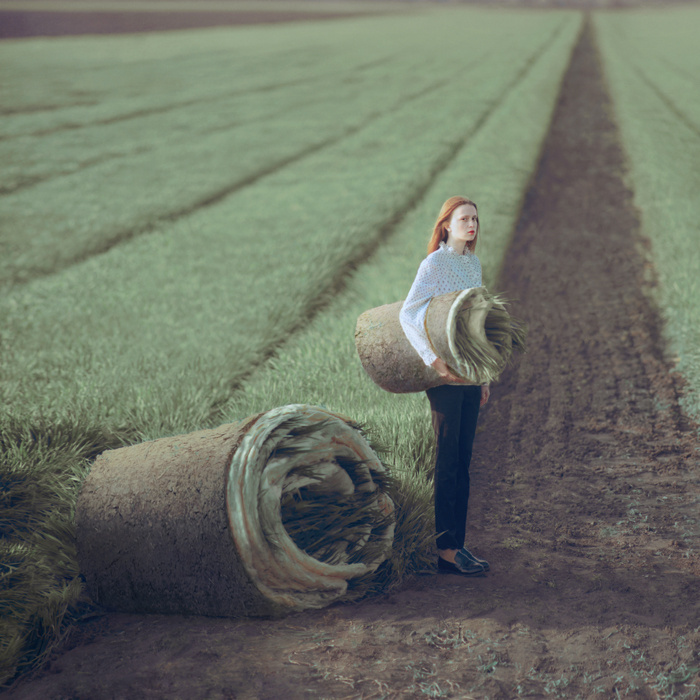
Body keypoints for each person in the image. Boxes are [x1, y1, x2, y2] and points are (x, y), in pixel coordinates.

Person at [399, 196, 491, 576]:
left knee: (465, 461)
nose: (471, 225)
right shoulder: (434, 264)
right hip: (445, 377)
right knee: (448, 461)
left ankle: (460, 544)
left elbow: (477, 323)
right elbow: (409, 312)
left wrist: (485, 376)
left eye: (475, 219)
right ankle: (446, 552)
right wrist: (433, 362)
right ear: (446, 226)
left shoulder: (473, 264)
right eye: (464, 219)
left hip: (470, 373)